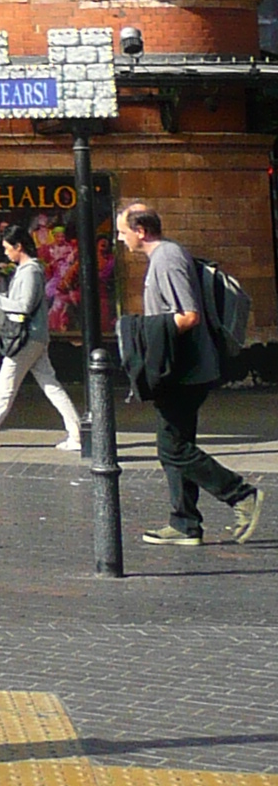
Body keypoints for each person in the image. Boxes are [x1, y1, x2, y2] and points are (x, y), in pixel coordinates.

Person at [115, 201, 261, 548]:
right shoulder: (166, 256)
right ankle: (184, 523)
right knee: (178, 445)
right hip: (184, 368)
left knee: (172, 448)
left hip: (185, 370)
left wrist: (145, 332)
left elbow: (188, 314)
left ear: (140, 231)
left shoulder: (166, 258)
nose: (121, 240)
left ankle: (240, 495)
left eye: (123, 232)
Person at [0, 219, 83, 452]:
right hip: (35, 336)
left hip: (26, 338)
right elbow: (22, 300)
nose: (5, 253)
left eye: (7, 248)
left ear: (19, 247)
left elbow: (24, 305)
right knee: (51, 385)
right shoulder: (29, 271)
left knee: (4, 385)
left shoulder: (29, 271)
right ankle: (76, 433)